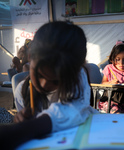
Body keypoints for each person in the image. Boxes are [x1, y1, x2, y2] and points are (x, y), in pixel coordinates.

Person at [0, 21, 99, 149]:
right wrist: (22, 120)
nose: (44, 85)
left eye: (56, 81)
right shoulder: (22, 92)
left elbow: (74, 109)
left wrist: (27, 128)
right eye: (40, 75)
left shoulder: (79, 78)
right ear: (30, 57)